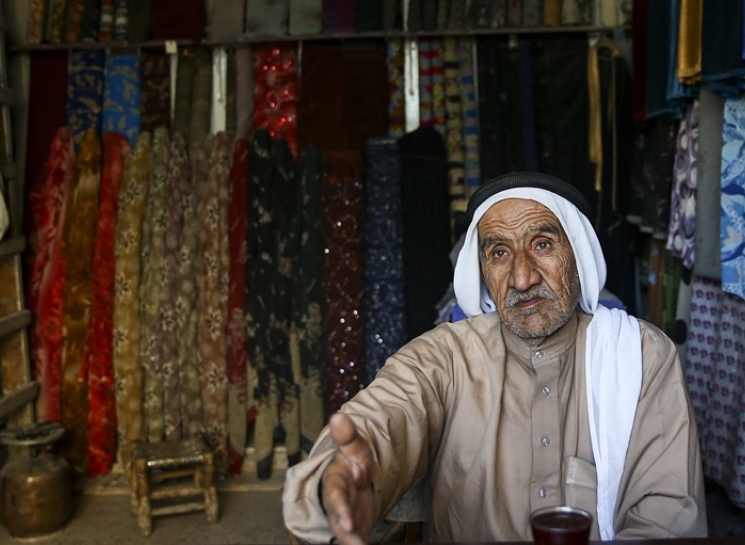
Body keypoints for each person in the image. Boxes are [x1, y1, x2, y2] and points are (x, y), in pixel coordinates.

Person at [282, 173, 707, 543]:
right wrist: (338, 479)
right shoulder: (446, 356)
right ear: (482, 269)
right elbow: (386, 417)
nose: (522, 277)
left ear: (576, 253)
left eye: (542, 244)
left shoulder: (641, 357)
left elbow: (666, 519)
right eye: (499, 252)